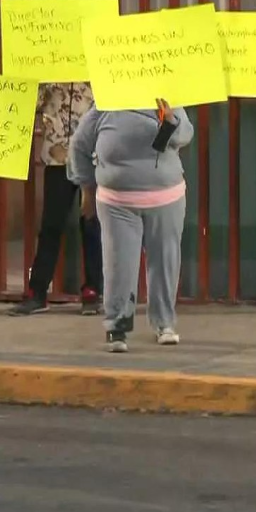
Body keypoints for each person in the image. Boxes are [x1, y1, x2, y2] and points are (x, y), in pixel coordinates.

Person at [68, 98, 193, 353]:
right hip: (117, 203)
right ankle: (117, 327)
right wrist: (86, 189)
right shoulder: (103, 106)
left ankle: (164, 323)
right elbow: (79, 146)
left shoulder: (167, 100)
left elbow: (185, 135)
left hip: (166, 198)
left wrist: (171, 120)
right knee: (119, 265)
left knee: (165, 262)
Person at [9, 81, 103, 317]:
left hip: (93, 155)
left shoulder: (98, 69)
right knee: (51, 225)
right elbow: (32, 103)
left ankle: (93, 290)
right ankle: (38, 292)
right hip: (57, 157)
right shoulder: (50, 70)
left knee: (92, 224)